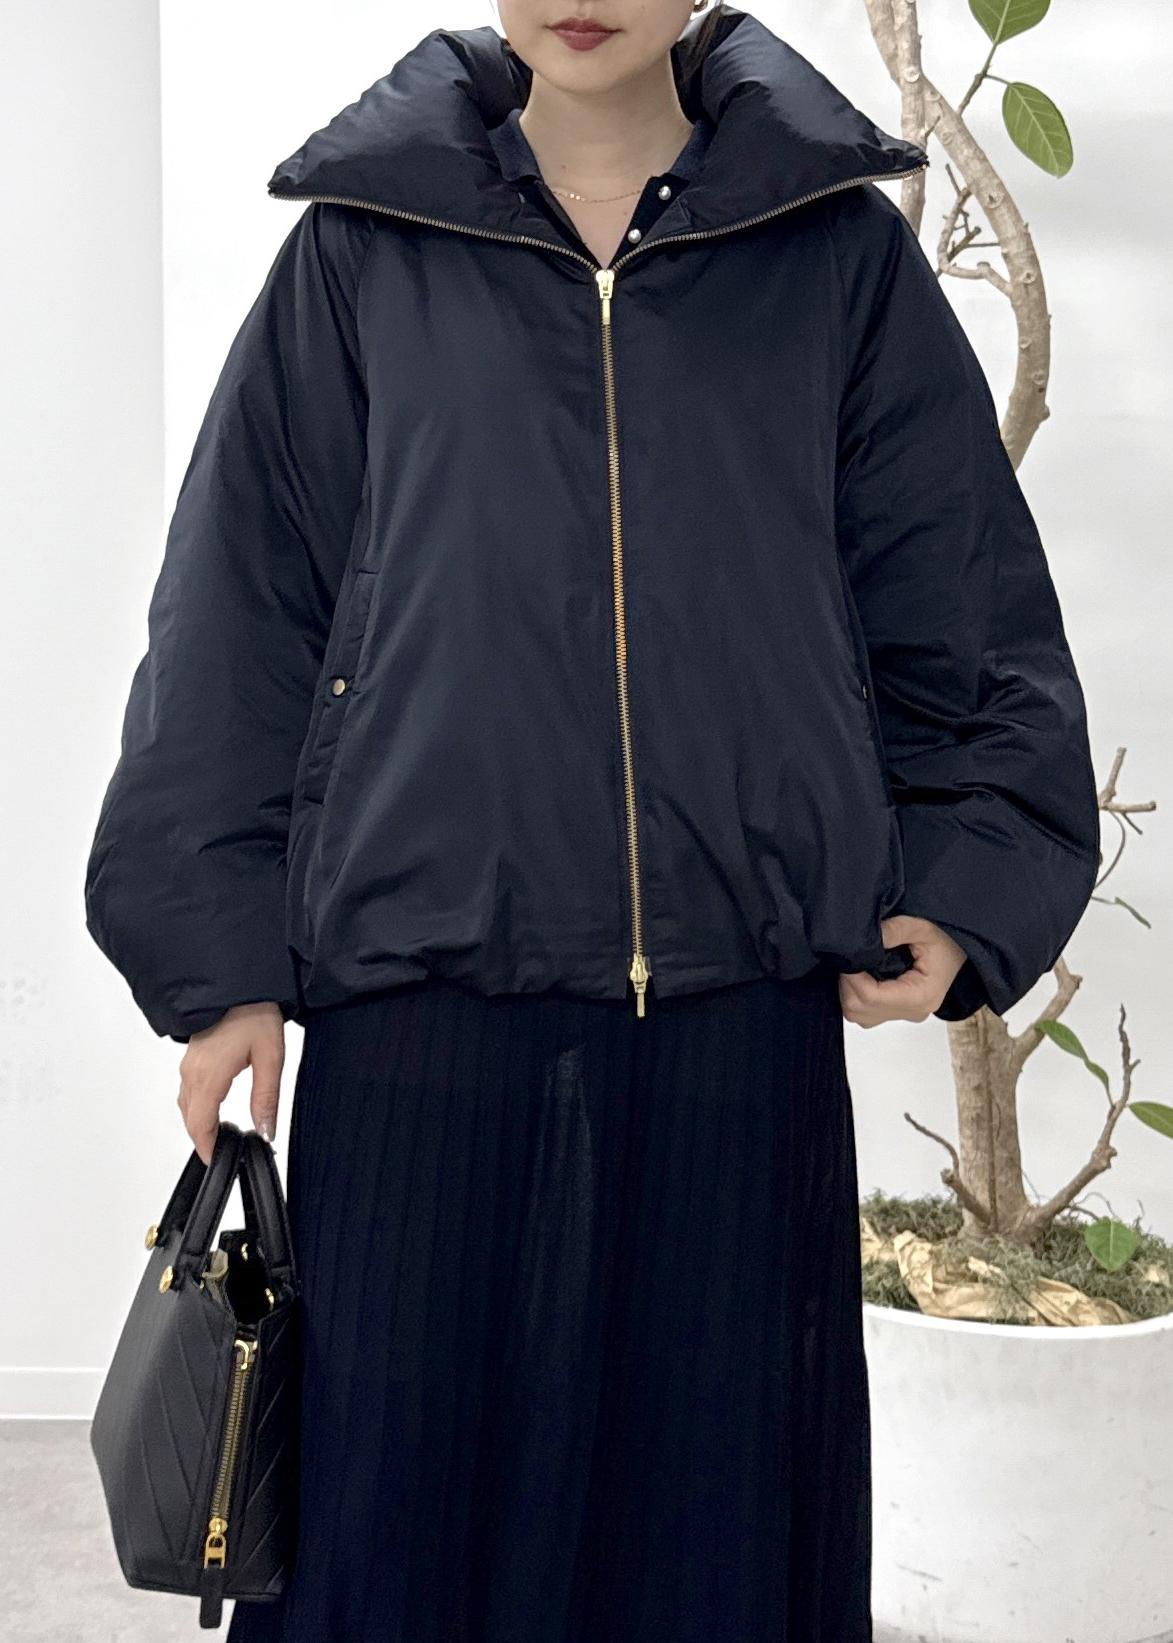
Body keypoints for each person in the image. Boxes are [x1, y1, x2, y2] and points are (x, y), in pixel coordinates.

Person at [83, 2, 1101, 1638]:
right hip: (419, 1014)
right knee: (397, 1533)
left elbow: (954, 582)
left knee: (709, 1542)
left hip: (736, 1023)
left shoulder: (830, 255)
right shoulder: (365, 249)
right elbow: (238, 609)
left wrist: (971, 871)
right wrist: (218, 961)